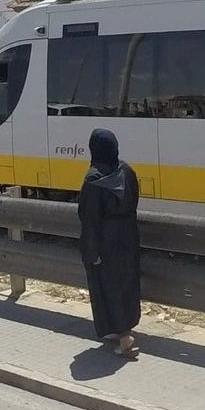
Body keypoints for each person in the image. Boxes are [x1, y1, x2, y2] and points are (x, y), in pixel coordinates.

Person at [77, 128, 141, 357]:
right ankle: (125, 327)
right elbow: (134, 199)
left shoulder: (93, 178)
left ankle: (123, 336)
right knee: (126, 282)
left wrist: (91, 250)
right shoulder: (127, 171)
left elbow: (90, 217)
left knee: (107, 284)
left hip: (106, 239)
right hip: (128, 235)